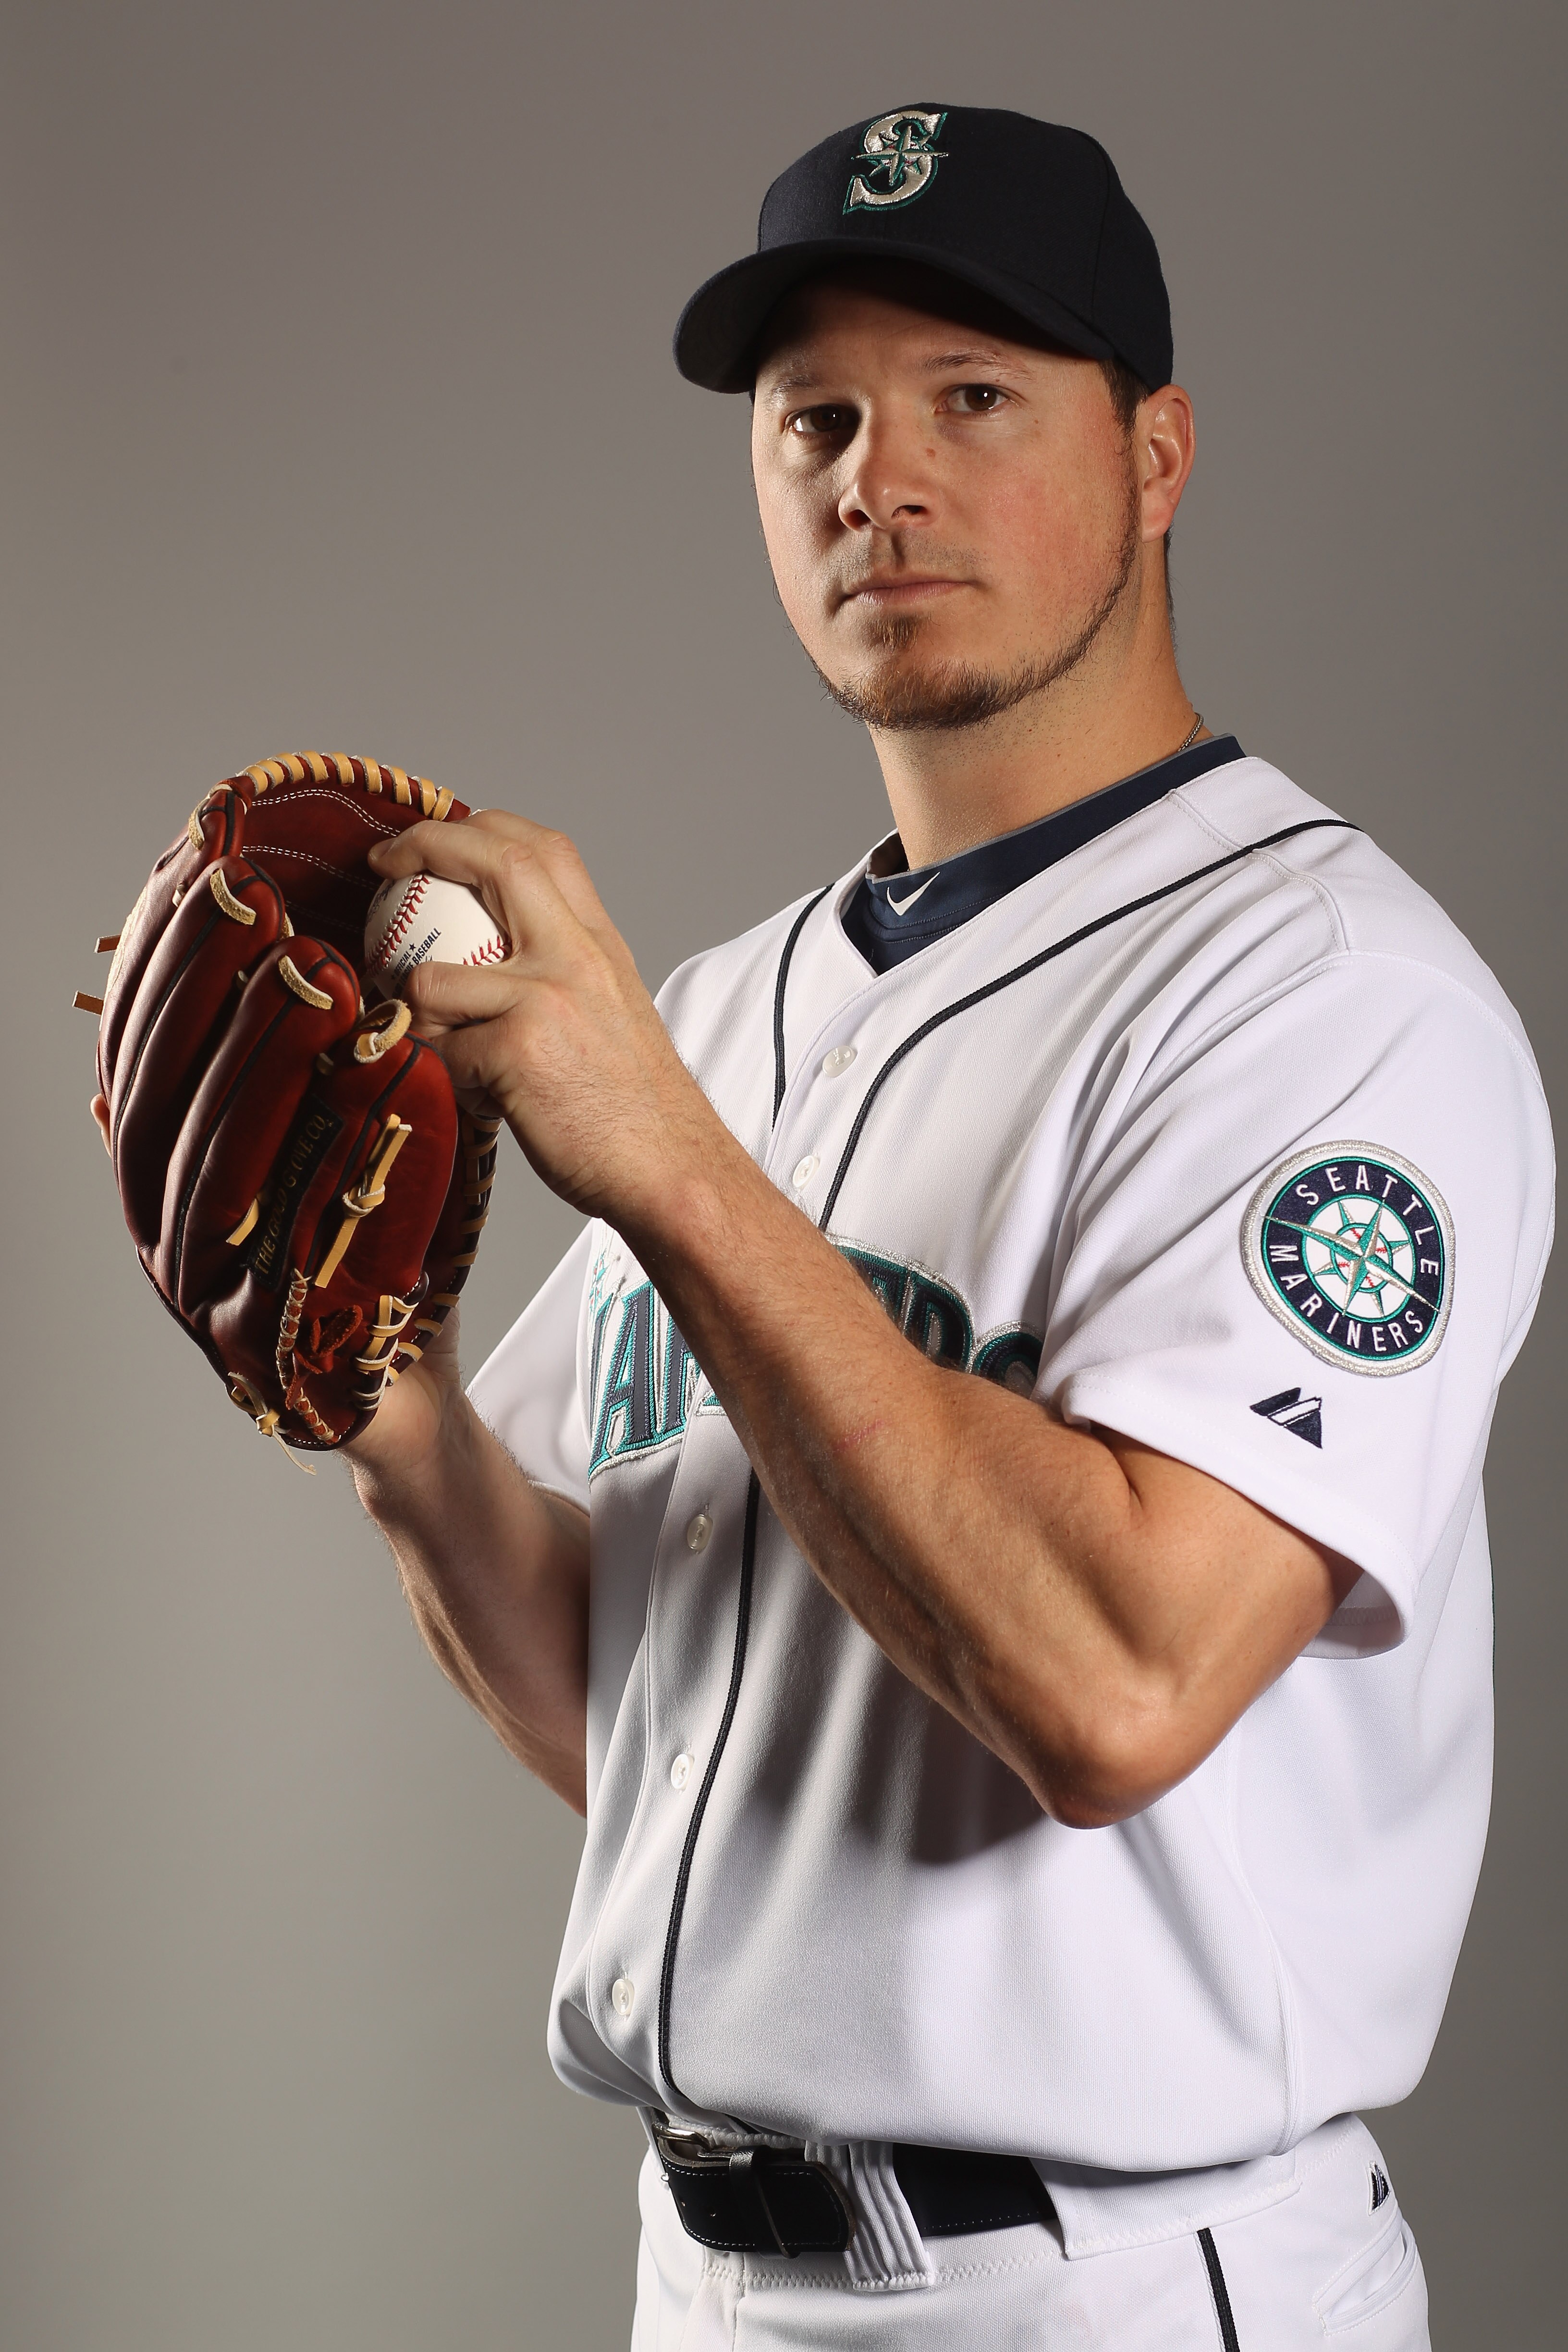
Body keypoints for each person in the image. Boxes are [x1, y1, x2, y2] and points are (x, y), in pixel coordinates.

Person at [344, 107, 1553, 2349]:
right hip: (708, 2284)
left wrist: (675, 1165)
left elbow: (1113, 1688)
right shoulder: (712, 1006)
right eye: (816, 417)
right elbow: (657, 1731)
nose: (874, 477)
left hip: (1120, 2282)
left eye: (972, 398)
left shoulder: (1328, 1000)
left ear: (1160, 452)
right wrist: (382, 1407)